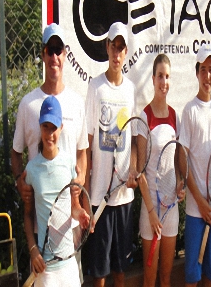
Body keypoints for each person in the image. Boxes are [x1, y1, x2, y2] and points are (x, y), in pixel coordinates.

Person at [11, 22, 89, 282]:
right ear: (43, 54)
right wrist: (19, 182)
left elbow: (82, 155)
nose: (54, 57)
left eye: (59, 50)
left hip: (70, 231)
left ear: (65, 54)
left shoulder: (77, 103)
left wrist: (78, 189)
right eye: (49, 50)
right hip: (41, 235)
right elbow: (16, 154)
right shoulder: (28, 104)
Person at [85, 22, 137, 287]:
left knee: (120, 271)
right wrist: (85, 195)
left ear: (126, 52)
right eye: (113, 47)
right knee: (100, 273)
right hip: (98, 198)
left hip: (124, 197)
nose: (117, 53)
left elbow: (135, 139)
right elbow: (88, 147)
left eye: (121, 48)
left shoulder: (130, 90)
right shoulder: (95, 88)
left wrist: (134, 172)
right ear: (106, 48)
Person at [24, 96, 90, 287]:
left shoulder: (70, 163)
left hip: (69, 265)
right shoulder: (32, 169)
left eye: (54, 127)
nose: (50, 133)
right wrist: (33, 249)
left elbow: (72, 207)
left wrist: (80, 214)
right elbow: (28, 216)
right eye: (46, 127)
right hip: (45, 270)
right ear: (40, 127)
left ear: (61, 127)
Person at [179, 44, 211, 287]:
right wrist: (200, 201)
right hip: (195, 211)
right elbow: (182, 159)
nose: (207, 75)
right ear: (196, 72)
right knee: (192, 278)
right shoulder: (189, 111)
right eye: (203, 70)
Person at [137, 54, 183, 287]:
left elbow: (175, 159)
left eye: (167, 77)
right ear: (153, 79)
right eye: (160, 76)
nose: (164, 82)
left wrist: (180, 183)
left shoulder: (175, 115)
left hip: (171, 208)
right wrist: (152, 213)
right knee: (149, 277)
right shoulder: (145, 116)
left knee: (166, 276)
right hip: (150, 211)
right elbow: (140, 172)